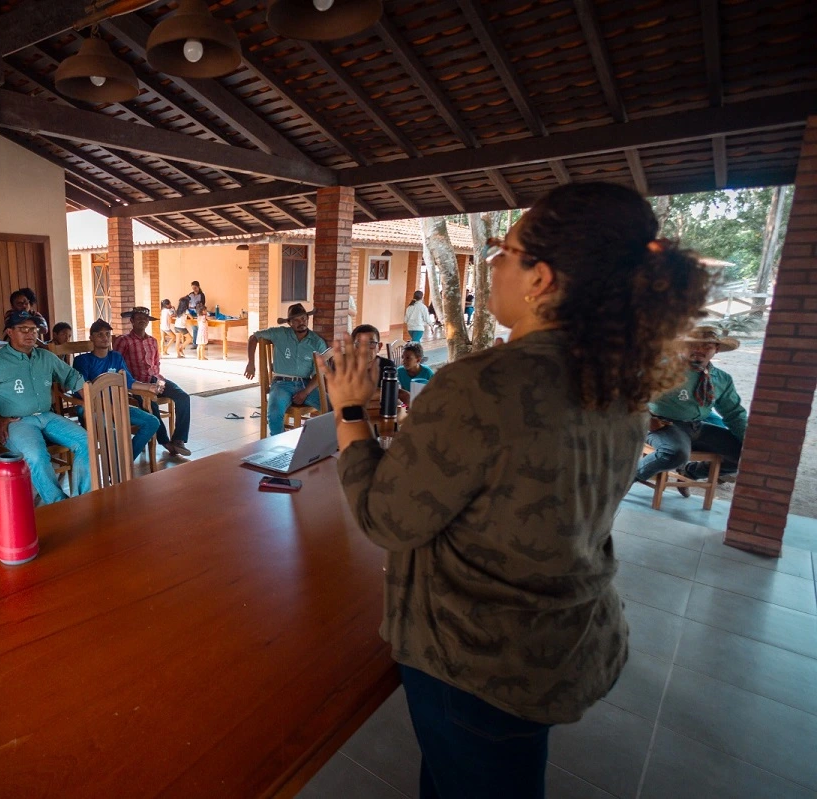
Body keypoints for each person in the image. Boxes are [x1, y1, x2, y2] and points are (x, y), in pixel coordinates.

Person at [323, 181, 709, 798]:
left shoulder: (483, 385)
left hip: (480, 656)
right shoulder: (617, 375)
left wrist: (348, 414)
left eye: (505, 251)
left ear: (540, 279)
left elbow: (386, 520)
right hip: (561, 637)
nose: (493, 263)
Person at [0, 310, 90, 504]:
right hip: (16, 422)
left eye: (34, 329)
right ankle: (59, 504)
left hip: (47, 416)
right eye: (23, 329)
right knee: (36, 455)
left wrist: (91, 401)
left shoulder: (45, 357)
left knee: (86, 441)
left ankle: (84, 500)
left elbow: (72, 377)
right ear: (9, 332)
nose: (30, 334)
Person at [635, 326, 747, 493]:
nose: (698, 350)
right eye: (692, 345)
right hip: (663, 425)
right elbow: (630, 395)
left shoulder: (721, 379)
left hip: (697, 426)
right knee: (675, 453)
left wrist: (750, 441)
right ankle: (623, 480)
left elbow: (734, 413)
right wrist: (646, 418)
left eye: (706, 346)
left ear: (716, 349)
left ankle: (691, 472)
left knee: (746, 455)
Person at [71, 319, 161, 461]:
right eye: (100, 334)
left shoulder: (116, 357)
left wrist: (149, 387)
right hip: (90, 407)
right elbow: (84, 390)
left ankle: (125, 462)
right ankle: (119, 470)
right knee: (112, 431)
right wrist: (107, 406)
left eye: (107, 334)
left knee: (152, 422)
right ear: (91, 338)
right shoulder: (82, 361)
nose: (105, 337)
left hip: (116, 405)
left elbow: (128, 381)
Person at [113, 306, 193, 457]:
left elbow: (156, 364)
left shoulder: (152, 341)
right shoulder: (124, 341)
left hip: (155, 379)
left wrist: (158, 383)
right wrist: (132, 384)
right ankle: (165, 441)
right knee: (151, 405)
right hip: (137, 383)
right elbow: (117, 364)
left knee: (183, 397)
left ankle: (179, 439)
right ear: (131, 321)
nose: (142, 321)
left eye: (145, 319)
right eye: (138, 318)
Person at [245, 303, 329, 436]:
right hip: (281, 384)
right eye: (296, 320)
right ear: (289, 323)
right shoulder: (280, 333)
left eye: (303, 318)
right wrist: (251, 363)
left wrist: (305, 392)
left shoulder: (316, 341)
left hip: (306, 384)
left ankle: (324, 446)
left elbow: (322, 372)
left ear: (307, 319)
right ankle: (279, 448)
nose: (301, 322)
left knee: (333, 408)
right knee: (274, 414)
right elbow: (253, 338)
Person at [186, 281, 205, 348]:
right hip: (191, 313)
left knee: (200, 328)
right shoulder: (190, 294)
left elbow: (202, 304)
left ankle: (201, 343)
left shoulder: (201, 295)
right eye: (193, 288)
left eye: (195, 288)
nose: (194, 289)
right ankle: (195, 344)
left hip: (198, 313)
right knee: (194, 328)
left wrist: (196, 307)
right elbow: (187, 302)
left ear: (198, 287)